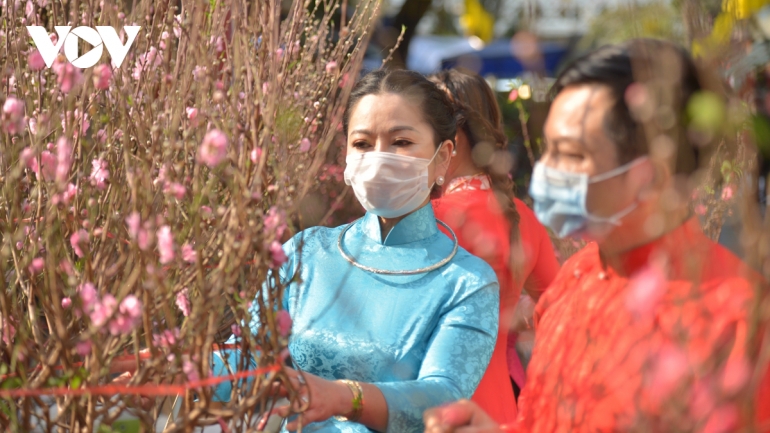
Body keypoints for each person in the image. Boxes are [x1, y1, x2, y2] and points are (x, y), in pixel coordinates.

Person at [423, 38, 770, 432]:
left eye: (571, 155)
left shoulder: (739, 322)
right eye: (547, 150)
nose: (546, 172)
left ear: (651, 173)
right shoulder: (573, 282)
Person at [211, 69, 500, 433]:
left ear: (442, 158)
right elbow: (248, 358)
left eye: (401, 142)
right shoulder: (306, 252)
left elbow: (443, 398)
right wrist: (176, 371)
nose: (380, 158)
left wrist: (345, 397)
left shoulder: (467, 282)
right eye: (362, 144)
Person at [427, 69, 559, 424]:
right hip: (503, 413)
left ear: (452, 133)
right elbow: (562, 307)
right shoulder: (523, 216)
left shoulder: (429, 220)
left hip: (437, 411)